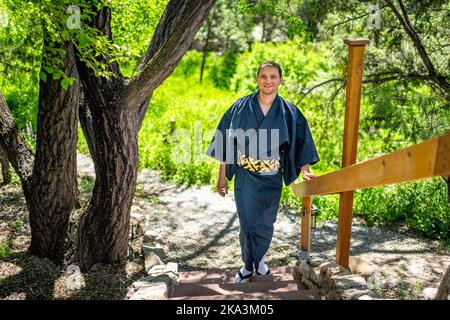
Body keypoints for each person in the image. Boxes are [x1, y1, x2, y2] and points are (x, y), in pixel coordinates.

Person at [206, 61, 319, 283]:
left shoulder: (289, 111)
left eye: (273, 77)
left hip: (271, 177)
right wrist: (222, 177)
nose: (268, 81)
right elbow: (226, 141)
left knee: (266, 223)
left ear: (280, 80)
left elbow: (300, 141)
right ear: (257, 78)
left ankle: (260, 262)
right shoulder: (239, 107)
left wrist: (306, 169)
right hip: (245, 176)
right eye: (264, 76)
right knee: (247, 224)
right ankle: (248, 266)